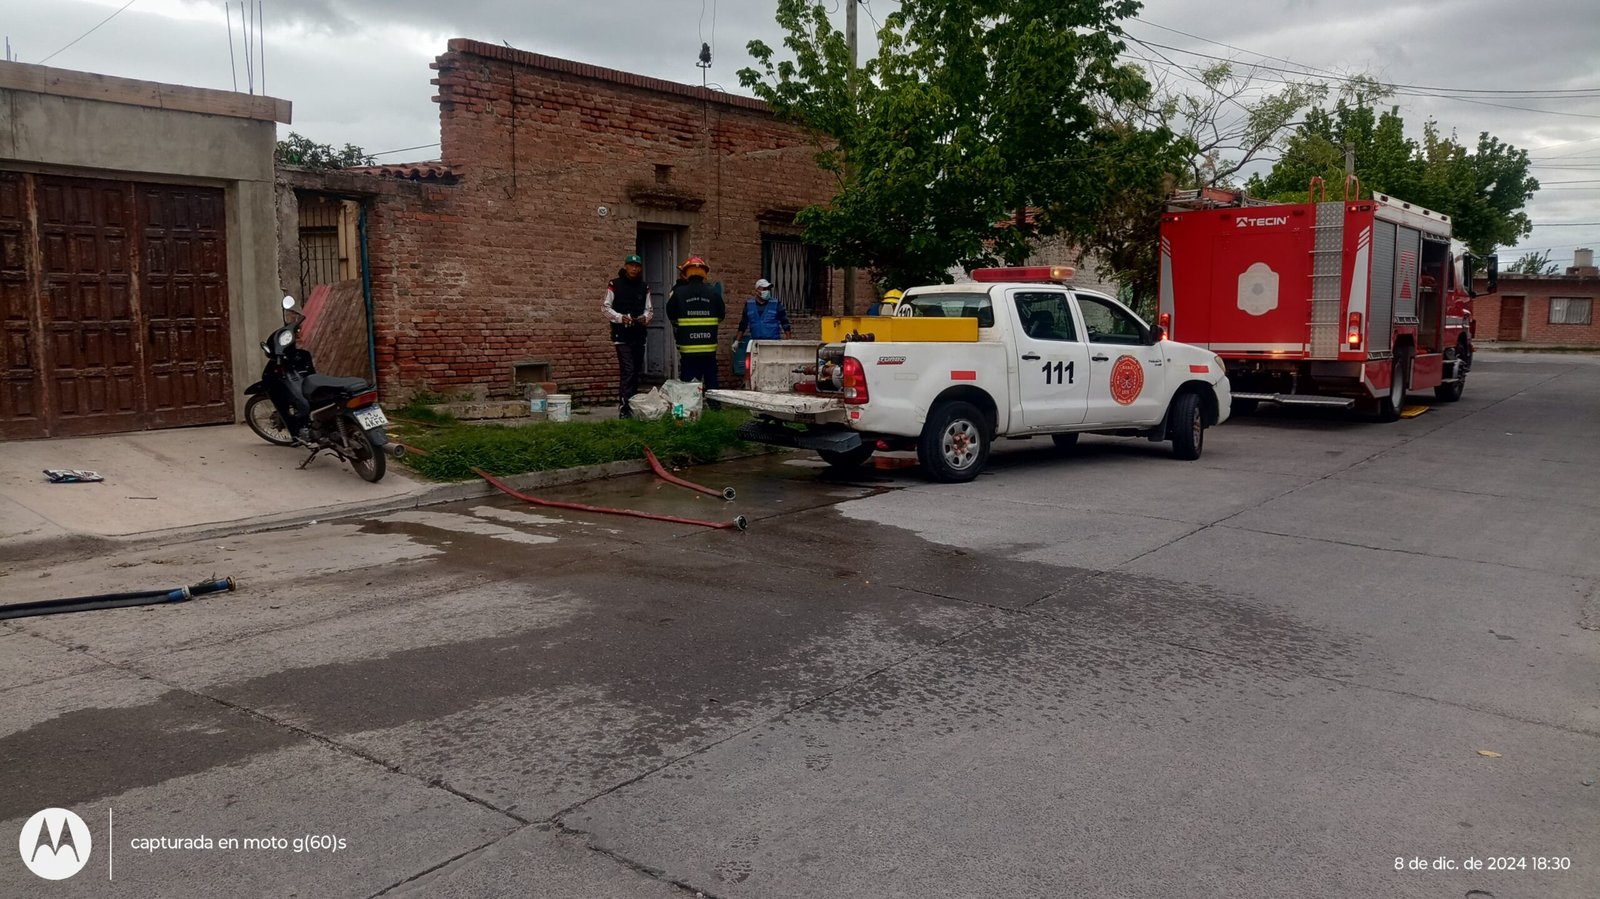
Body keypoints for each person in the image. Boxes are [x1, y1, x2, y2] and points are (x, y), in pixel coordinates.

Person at [664, 255, 725, 390]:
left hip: (688, 348)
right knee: (711, 379)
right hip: (709, 347)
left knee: (689, 382)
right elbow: (721, 315)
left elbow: (671, 314)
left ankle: (691, 407)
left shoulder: (678, 293)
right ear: (704, 273)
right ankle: (715, 407)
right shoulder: (713, 293)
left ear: (686, 273)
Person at [603, 253, 653, 417]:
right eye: (631, 265)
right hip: (621, 335)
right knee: (628, 370)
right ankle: (624, 408)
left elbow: (649, 309)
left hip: (639, 334)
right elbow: (605, 308)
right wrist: (619, 317)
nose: (634, 268)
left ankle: (632, 405)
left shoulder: (644, 287)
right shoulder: (615, 284)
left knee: (636, 370)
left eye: (637, 266)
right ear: (625, 266)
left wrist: (645, 318)